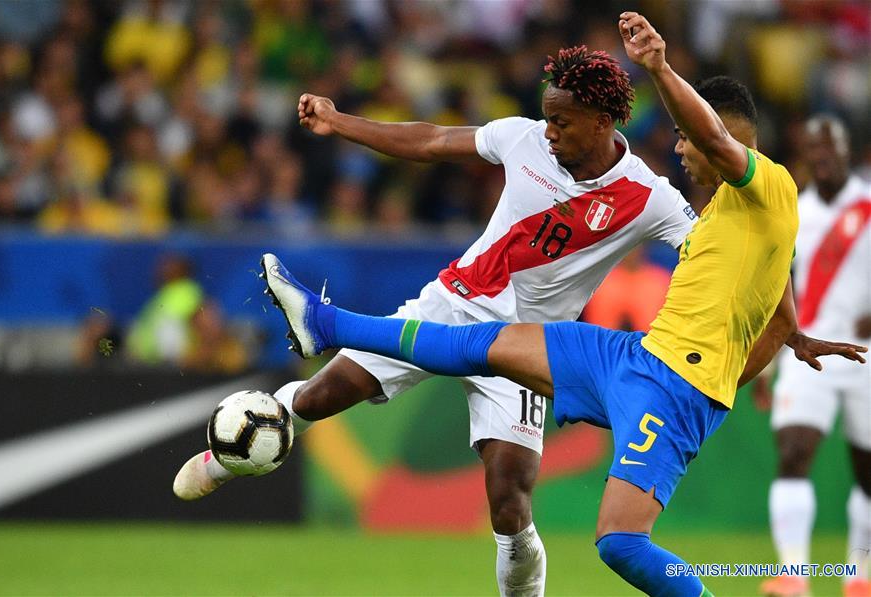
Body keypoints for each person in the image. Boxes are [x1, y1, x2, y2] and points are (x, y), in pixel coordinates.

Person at [175, 40, 855, 597]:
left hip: (534, 348)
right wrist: (340, 121)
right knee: (324, 395)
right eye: (547, 117)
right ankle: (237, 444)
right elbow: (433, 140)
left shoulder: (651, 198)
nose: (549, 130)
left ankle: (327, 329)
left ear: (600, 121)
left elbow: (754, 251)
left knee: (509, 502)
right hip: (455, 305)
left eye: (561, 120)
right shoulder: (521, 139)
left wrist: (783, 327)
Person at [756, 116, 871, 597]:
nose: (821, 157)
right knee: (793, 452)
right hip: (809, 352)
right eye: (812, 149)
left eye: (830, 148)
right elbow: (775, 291)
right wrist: (766, 360)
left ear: (848, 151)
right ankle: (793, 575)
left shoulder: (868, 208)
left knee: (867, 471)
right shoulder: (794, 215)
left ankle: (858, 575)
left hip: (866, 356)